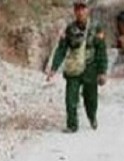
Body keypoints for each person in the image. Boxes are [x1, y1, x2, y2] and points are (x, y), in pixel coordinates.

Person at [46, 0, 109, 132]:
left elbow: (101, 50)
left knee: (90, 99)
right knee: (70, 98)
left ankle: (92, 116)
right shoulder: (70, 29)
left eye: (82, 9)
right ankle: (72, 125)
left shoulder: (96, 27)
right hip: (74, 68)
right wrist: (54, 68)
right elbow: (62, 49)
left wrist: (102, 71)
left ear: (87, 10)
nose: (80, 12)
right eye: (77, 9)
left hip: (90, 68)